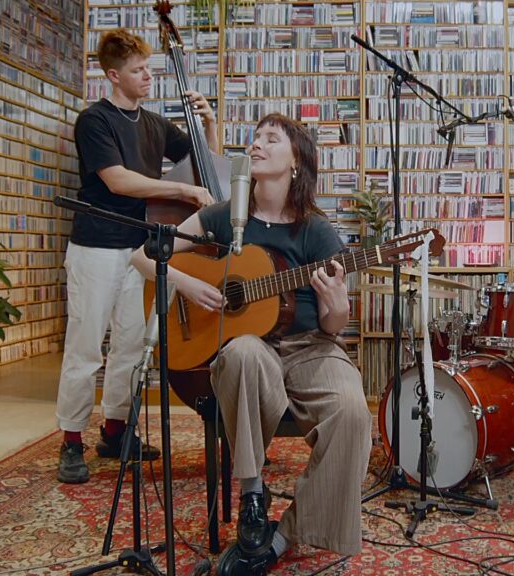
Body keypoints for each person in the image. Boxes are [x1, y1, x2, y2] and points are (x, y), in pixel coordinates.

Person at [130, 113, 372, 574]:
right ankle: (252, 497)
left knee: (353, 412)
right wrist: (187, 284)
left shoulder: (315, 230)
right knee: (240, 352)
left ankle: (279, 539)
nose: (256, 144)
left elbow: (332, 326)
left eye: (271, 138)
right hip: (249, 345)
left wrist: (338, 303)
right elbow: (143, 257)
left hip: (310, 346)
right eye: (255, 137)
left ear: (296, 161)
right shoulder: (225, 215)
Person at [55, 28, 217, 484]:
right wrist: (182, 191)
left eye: (148, 68)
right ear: (113, 75)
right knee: (86, 347)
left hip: (140, 248)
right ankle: (71, 440)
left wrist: (208, 123)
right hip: (95, 246)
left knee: (131, 346)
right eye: (138, 70)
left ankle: (115, 431)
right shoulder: (94, 121)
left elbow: (206, 165)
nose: (148, 76)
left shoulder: (154, 124)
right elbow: (118, 180)